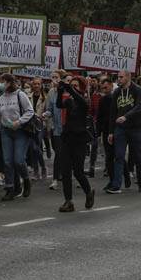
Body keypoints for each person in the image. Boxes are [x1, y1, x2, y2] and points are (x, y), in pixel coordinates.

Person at [55, 75, 94, 212]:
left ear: (82, 88)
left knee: (78, 171)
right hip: (67, 137)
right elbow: (59, 104)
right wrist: (61, 90)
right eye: (73, 85)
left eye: (76, 86)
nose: (73, 88)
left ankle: (89, 192)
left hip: (79, 140)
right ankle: (68, 201)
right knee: (66, 171)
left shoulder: (84, 101)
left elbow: (79, 99)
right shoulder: (70, 101)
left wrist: (69, 88)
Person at [0, 73, 35, 201]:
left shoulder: (20, 95)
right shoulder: (0, 99)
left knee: (18, 160)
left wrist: (20, 121)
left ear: (10, 82)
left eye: (3, 82)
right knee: (7, 161)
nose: (1, 84)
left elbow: (30, 111)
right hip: (6, 132)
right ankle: (10, 188)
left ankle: (26, 180)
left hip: (20, 131)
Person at [105, 71, 141, 195]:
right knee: (119, 156)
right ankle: (116, 185)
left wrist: (126, 116)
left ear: (128, 77)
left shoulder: (138, 90)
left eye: (121, 77)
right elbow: (113, 112)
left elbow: (139, 106)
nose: (119, 79)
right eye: (118, 77)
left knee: (138, 155)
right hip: (120, 129)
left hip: (135, 127)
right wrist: (110, 132)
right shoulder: (117, 92)